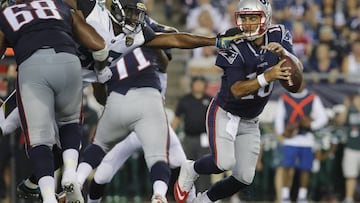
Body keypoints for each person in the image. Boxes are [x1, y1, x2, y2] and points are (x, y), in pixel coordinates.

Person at [173, 0, 304, 203]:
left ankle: (204, 200)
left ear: (266, 18)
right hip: (225, 112)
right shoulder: (233, 41)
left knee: (244, 177)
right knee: (223, 162)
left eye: (254, 18)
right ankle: (192, 168)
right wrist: (267, 77)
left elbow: (298, 74)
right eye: (245, 18)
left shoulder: (278, 33)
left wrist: (284, 54)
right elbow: (236, 90)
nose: (249, 24)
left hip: (250, 119)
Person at [0, 0, 110, 202]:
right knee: (70, 122)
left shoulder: (7, 13)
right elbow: (100, 46)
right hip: (69, 62)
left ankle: (49, 197)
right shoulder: (57, 5)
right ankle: (70, 173)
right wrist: (101, 70)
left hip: (33, 68)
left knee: (39, 140)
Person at [274, 81, 328, 203]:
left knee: (305, 169)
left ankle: (302, 196)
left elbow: (323, 117)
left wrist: (311, 125)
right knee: (287, 168)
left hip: (306, 139)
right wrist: (283, 132)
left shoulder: (312, 97)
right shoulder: (285, 98)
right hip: (290, 140)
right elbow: (279, 117)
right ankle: (285, 195)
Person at [171, 76, 212, 192]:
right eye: (196, 83)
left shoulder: (210, 100)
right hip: (189, 138)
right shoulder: (185, 100)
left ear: (205, 86)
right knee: (187, 167)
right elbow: (177, 118)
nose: (198, 86)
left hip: (204, 139)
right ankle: (187, 193)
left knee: (204, 167)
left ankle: (203, 193)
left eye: (201, 83)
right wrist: (171, 135)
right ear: (192, 85)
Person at [337, 94, 360, 203]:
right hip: (351, 146)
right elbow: (339, 122)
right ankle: (349, 198)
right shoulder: (350, 110)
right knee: (350, 174)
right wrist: (345, 107)